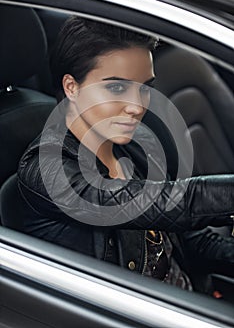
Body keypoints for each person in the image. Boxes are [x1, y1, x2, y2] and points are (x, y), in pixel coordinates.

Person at [17, 16, 234, 292]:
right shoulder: (47, 170)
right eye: (116, 87)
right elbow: (167, 204)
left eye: (144, 88)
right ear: (72, 87)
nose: (137, 106)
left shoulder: (138, 143)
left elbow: (193, 241)